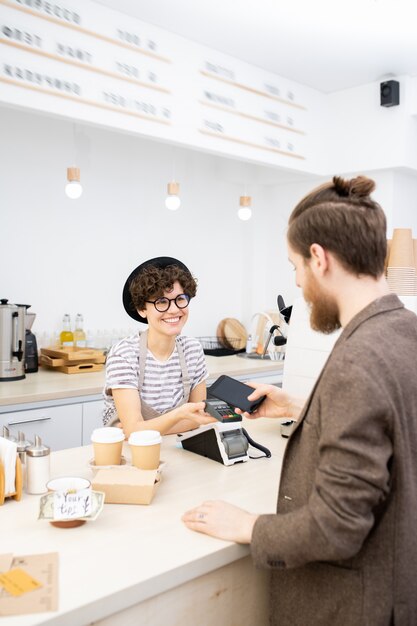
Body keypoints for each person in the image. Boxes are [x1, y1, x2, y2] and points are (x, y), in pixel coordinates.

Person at [182, 176, 417, 625]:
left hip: (355, 606)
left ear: (319, 259)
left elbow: (337, 526)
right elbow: (391, 423)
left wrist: (247, 526)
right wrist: (301, 407)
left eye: (294, 267)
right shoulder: (406, 330)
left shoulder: (358, 360)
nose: (297, 284)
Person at [103, 256, 215, 436]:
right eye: (161, 302)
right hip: (131, 455)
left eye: (180, 299)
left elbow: (198, 419)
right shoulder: (124, 354)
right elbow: (134, 433)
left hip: (179, 449)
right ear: (142, 309)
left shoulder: (192, 350)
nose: (173, 309)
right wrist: (183, 417)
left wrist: (142, 427)